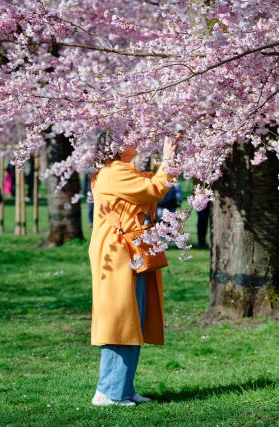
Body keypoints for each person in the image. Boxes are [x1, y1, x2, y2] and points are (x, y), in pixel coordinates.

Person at [89, 134, 178, 407]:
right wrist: (168, 159)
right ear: (116, 146)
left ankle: (122, 388)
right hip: (118, 252)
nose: (134, 139)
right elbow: (152, 190)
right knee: (121, 319)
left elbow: (149, 188)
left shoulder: (123, 172)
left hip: (131, 249)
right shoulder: (114, 173)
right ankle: (110, 392)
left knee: (134, 318)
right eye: (127, 137)